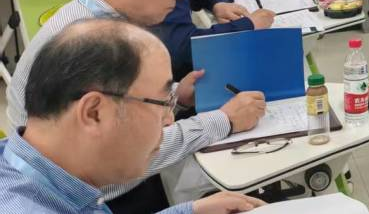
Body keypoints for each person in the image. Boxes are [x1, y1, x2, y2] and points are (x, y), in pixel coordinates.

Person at [5, 0, 267, 213]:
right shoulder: (94, 41)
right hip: (113, 193)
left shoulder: (93, 23)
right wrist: (224, 120)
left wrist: (176, 95)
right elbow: (127, 145)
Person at [0, 18, 266, 213]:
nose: (170, 119)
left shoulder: (34, 168)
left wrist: (189, 211)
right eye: (162, 103)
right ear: (94, 113)